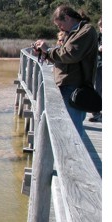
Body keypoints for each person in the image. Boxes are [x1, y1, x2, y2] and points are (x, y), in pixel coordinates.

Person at [35, 5, 98, 137]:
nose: (60, 29)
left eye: (60, 25)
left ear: (68, 18)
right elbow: (63, 57)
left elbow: (70, 55)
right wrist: (45, 53)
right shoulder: (74, 32)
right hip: (68, 85)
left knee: (73, 131)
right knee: (69, 127)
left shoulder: (86, 31)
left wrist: (48, 50)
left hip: (74, 86)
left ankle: (75, 157)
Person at [89, 17, 102, 122]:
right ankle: (96, 113)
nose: (102, 28)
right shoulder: (98, 36)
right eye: (101, 26)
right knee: (97, 89)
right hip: (99, 66)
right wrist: (98, 48)